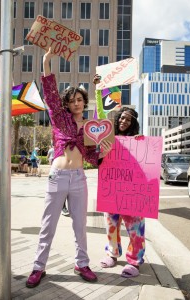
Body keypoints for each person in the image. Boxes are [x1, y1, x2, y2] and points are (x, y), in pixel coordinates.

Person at [26, 48, 111, 288]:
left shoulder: (90, 126)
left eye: (79, 99)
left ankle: (81, 263)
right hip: (57, 177)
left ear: (85, 102)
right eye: (72, 100)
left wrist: (102, 151)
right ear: (67, 103)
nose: (76, 103)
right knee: (47, 225)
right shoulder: (59, 119)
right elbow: (51, 93)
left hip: (79, 179)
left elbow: (94, 157)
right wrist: (46, 60)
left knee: (80, 225)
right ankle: (38, 267)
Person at [94, 75, 145, 278]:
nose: (123, 121)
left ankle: (134, 261)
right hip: (111, 188)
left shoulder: (138, 140)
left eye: (127, 119)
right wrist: (99, 89)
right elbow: (100, 113)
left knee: (135, 226)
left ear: (133, 123)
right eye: (121, 117)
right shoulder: (108, 138)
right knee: (111, 223)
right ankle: (112, 254)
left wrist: (141, 144)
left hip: (132, 191)